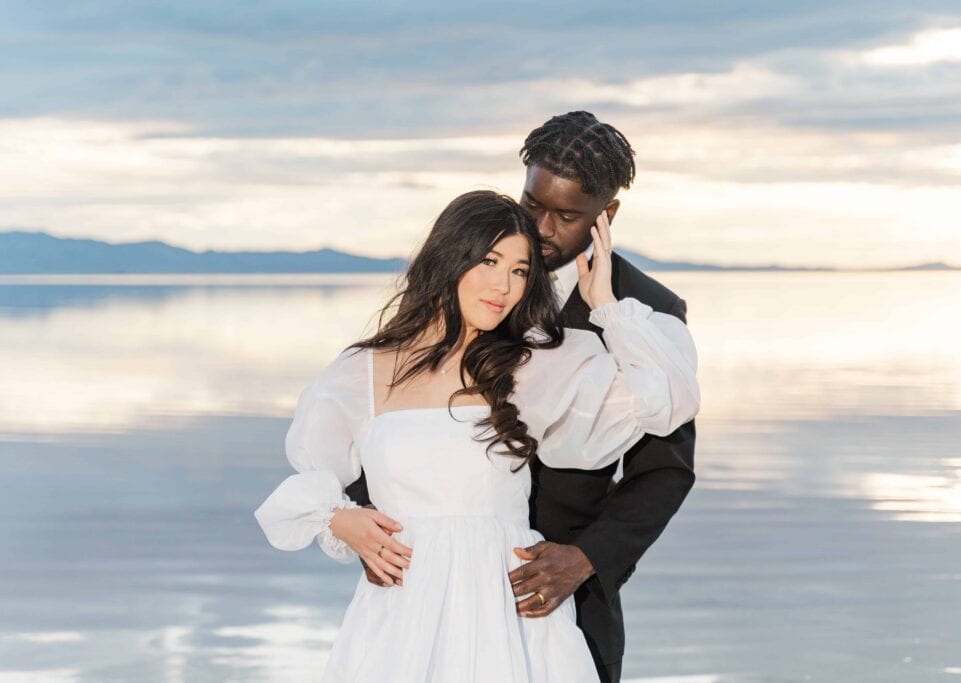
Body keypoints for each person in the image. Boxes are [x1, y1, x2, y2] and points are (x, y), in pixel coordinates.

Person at [255, 190, 699, 682]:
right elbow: (311, 477)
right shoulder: (360, 372)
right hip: (404, 614)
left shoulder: (531, 364)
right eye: (490, 261)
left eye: (519, 270)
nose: (503, 286)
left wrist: (606, 306)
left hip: (510, 613)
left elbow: (663, 403)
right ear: (449, 258)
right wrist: (341, 519)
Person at [353, 111, 697, 683]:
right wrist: (370, 524)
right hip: (429, 590)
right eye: (532, 203)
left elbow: (666, 469)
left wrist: (586, 561)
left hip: (559, 595)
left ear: (606, 214)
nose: (540, 227)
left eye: (566, 216)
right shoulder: (468, 276)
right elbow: (379, 405)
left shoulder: (648, 313)